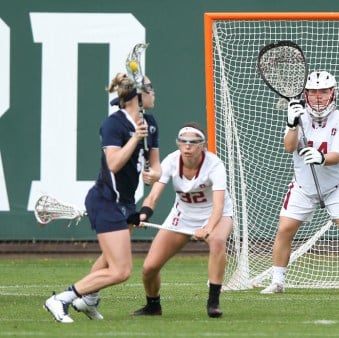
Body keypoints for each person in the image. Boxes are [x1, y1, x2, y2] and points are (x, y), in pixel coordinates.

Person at [44, 72, 161, 323]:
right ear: (136, 96)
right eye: (150, 88)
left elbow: (155, 166)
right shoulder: (113, 124)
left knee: (109, 259)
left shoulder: (150, 124)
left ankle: (88, 301)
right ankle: (61, 299)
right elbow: (114, 163)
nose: (154, 92)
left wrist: (153, 174)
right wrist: (135, 138)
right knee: (121, 271)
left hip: (126, 202)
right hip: (106, 200)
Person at [261, 70, 339, 295]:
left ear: (333, 93)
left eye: (323, 91)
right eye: (313, 92)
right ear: (306, 94)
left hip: (337, 187)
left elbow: (338, 158)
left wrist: (322, 158)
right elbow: (288, 147)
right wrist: (292, 124)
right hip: (304, 187)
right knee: (284, 228)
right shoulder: (297, 115)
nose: (318, 96)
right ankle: (277, 281)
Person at [130, 122, 234, 318]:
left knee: (218, 242)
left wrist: (207, 229)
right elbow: (152, 197)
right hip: (182, 216)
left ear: (202, 145)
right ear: (178, 144)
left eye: (193, 142)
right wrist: (142, 215)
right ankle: (153, 306)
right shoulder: (170, 161)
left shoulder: (215, 165)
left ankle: (213, 302)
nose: (188, 147)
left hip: (215, 215)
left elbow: (219, 206)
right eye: (183, 142)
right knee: (149, 267)